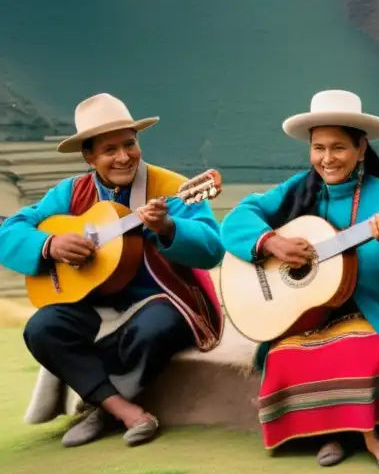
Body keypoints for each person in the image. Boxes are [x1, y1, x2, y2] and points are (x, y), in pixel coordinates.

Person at [219, 90, 379, 471]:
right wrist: (271, 242)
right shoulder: (298, 190)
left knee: (363, 351)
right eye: (318, 148)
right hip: (303, 315)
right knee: (287, 354)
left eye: (339, 148)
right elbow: (235, 220)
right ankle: (330, 433)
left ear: (361, 148)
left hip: (370, 313)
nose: (327, 158)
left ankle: (366, 435)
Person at [0, 93, 224, 448]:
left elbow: (212, 249)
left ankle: (103, 408)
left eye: (129, 144)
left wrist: (168, 228)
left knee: (156, 326)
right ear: (89, 157)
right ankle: (121, 408)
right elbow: (8, 232)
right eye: (109, 150)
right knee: (41, 329)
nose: (124, 156)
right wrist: (50, 245)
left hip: (160, 300)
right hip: (94, 305)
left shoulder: (172, 189)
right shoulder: (70, 193)